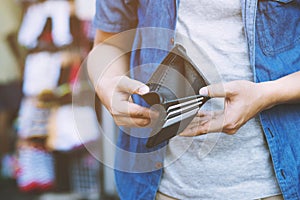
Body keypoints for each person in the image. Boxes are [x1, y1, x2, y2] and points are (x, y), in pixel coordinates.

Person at [88, 0, 300, 199]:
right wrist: (108, 84)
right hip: (158, 187)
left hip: (274, 186)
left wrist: (267, 94)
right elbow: (108, 44)